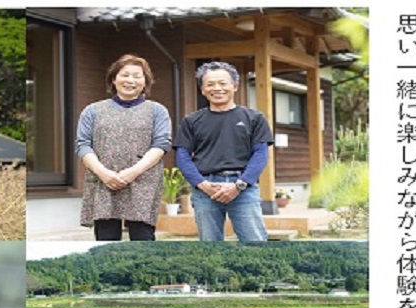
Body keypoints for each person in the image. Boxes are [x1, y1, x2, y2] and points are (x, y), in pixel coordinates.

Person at [173, 61, 274, 241]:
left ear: (234, 86)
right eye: (210, 84)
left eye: (222, 83)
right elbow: (182, 156)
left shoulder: (254, 118)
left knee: (255, 243)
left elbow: (260, 154)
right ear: (202, 90)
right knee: (211, 246)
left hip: (244, 187)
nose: (217, 88)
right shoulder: (191, 121)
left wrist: (240, 185)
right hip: (205, 189)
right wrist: (202, 184)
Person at [77, 54, 172, 241]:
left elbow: (161, 144)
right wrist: (103, 173)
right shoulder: (93, 110)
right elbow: (83, 145)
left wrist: (133, 172)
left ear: (145, 82)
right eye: (125, 75)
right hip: (103, 181)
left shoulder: (157, 111)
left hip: (143, 181)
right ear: (114, 79)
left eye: (137, 76)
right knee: (106, 240)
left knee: (143, 239)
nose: (130, 80)